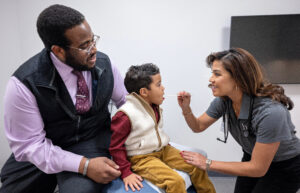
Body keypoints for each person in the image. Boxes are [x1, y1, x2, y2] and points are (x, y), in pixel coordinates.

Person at [0, 4, 157, 193]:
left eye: (93, 40)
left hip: (90, 139)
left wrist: (149, 131)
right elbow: (30, 146)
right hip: (43, 145)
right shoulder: (23, 84)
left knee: (79, 191)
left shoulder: (105, 64)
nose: (94, 50)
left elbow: (127, 105)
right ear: (58, 50)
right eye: (84, 46)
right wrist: (84, 165)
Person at [178, 48, 300, 193]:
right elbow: (198, 126)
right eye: (212, 73)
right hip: (252, 157)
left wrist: (208, 163)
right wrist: (186, 109)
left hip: (285, 165)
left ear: (238, 78)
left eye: (217, 74)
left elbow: (258, 168)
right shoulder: (225, 100)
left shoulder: (271, 113)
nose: (211, 79)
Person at [109, 63, 216, 193]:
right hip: (141, 158)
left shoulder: (154, 105)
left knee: (197, 166)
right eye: (159, 85)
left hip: (163, 150)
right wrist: (126, 173)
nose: (163, 88)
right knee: (175, 182)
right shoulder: (125, 115)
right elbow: (115, 147)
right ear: (144, 92)